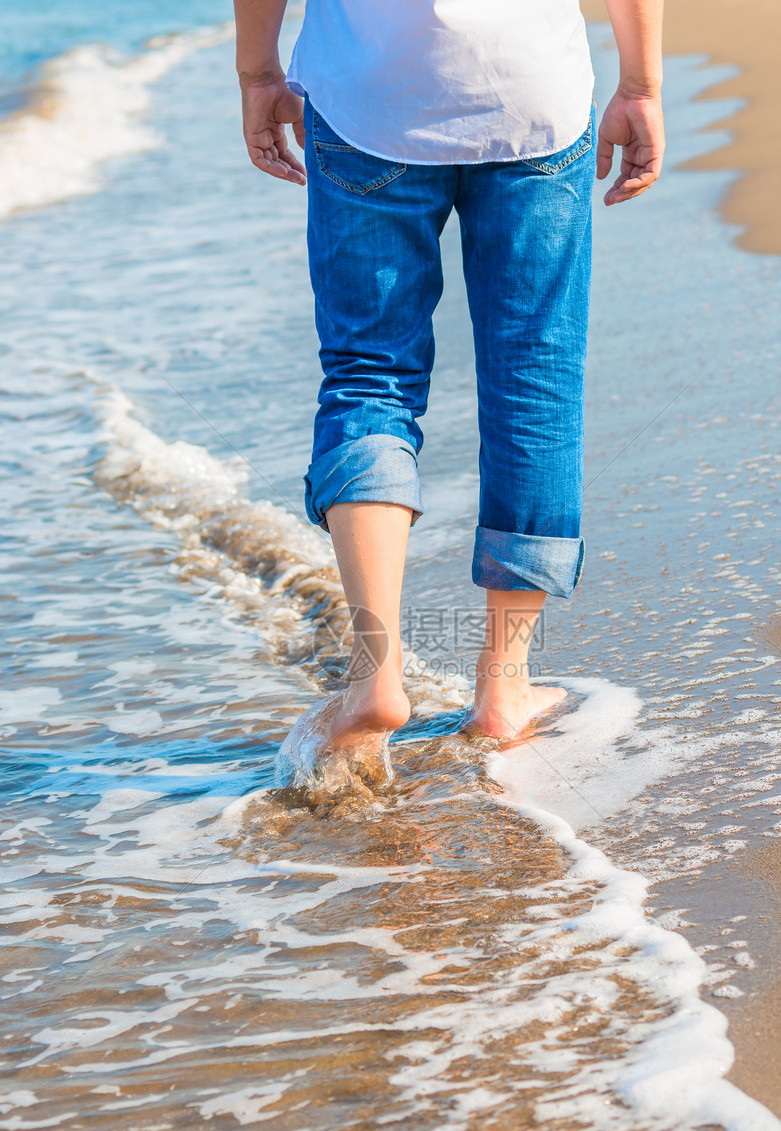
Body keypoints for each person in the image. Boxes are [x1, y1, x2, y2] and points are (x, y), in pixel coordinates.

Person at [234, 0, 664, 765]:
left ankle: (375, 674)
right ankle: (503, 688)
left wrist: (258, 70)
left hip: (370, 96)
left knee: (371, 376)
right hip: (532, 93)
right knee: (535, 375)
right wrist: (640, 86)